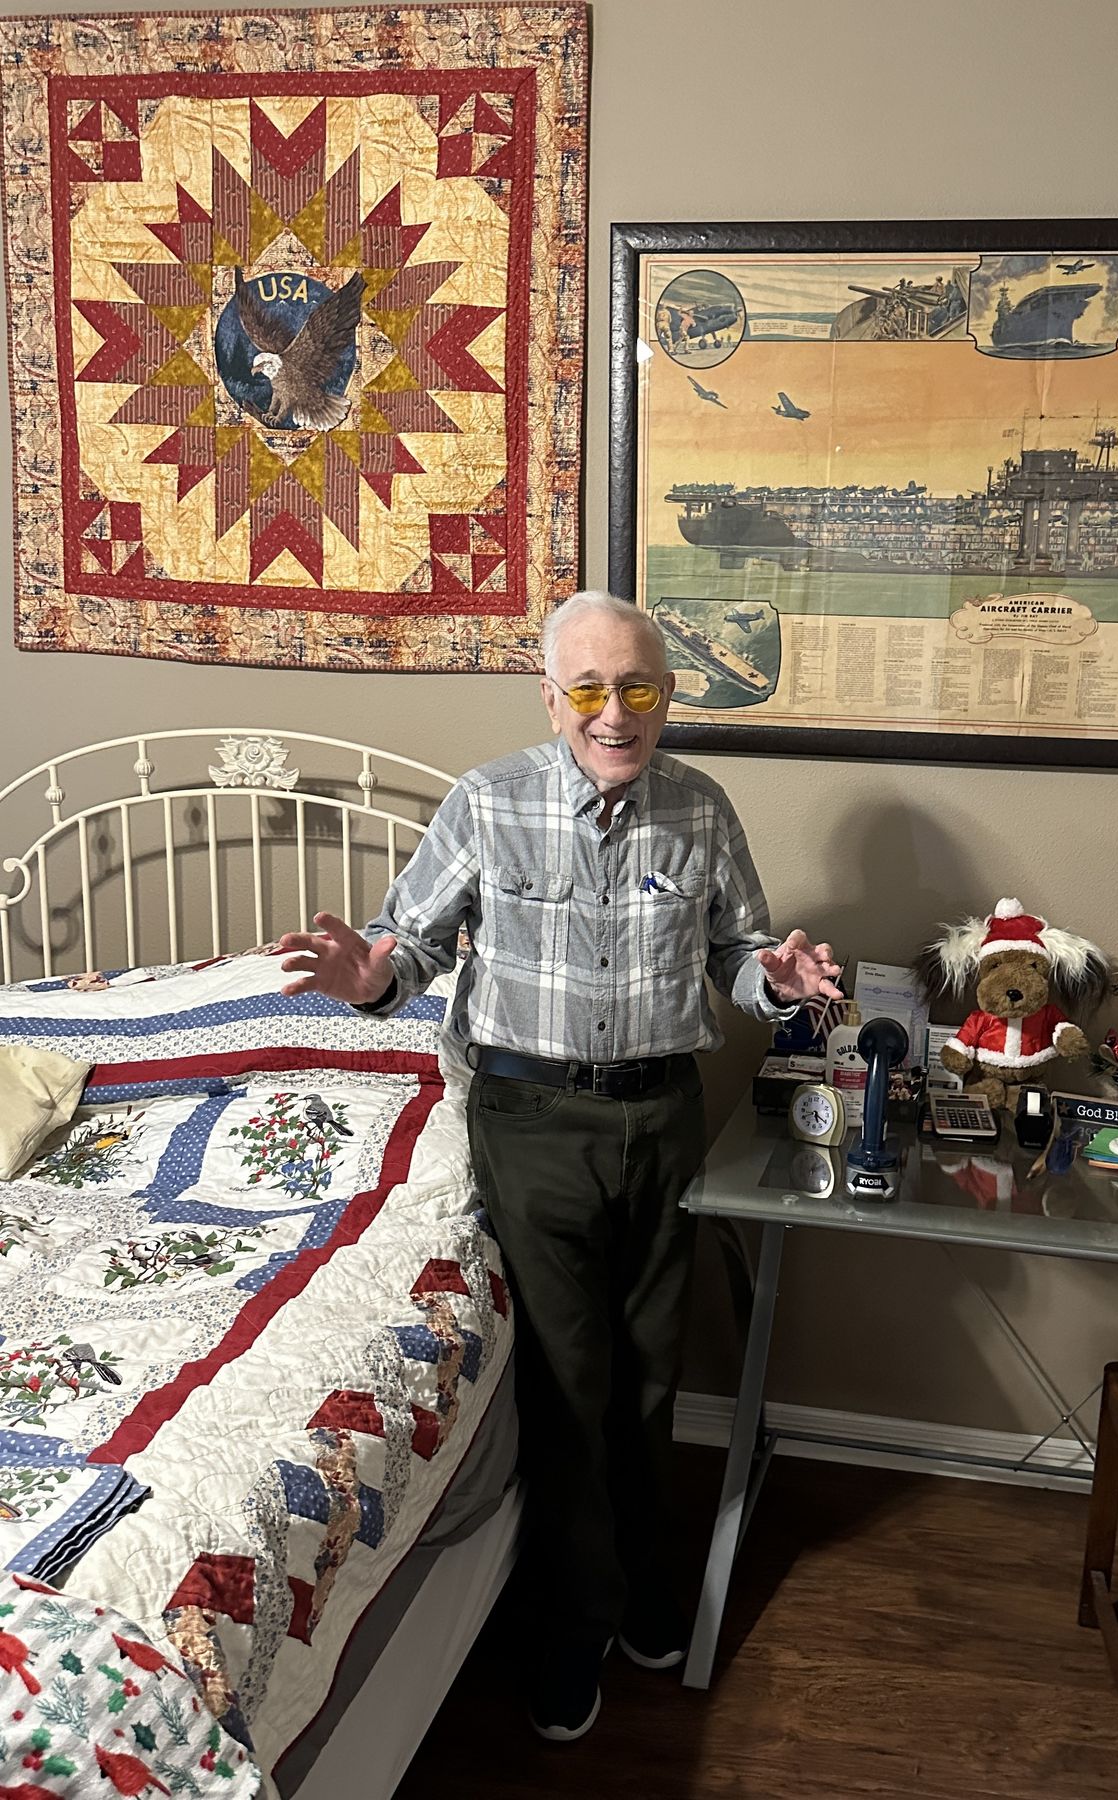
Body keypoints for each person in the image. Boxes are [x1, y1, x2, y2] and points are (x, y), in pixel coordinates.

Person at [277, 591, 841, 1743]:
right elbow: (408, 943)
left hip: (664, 1112)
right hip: (531, 1118)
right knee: (569, 1379)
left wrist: (772, 983)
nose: (613, 712)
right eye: (588, 688)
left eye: (637, 687)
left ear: (667, 696)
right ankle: (574, 1621)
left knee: (649, 1372)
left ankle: (638, 1588)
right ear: (550, 698)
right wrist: (367, 976)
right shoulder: (487, 801)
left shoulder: (701, 807)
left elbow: (738, 950)